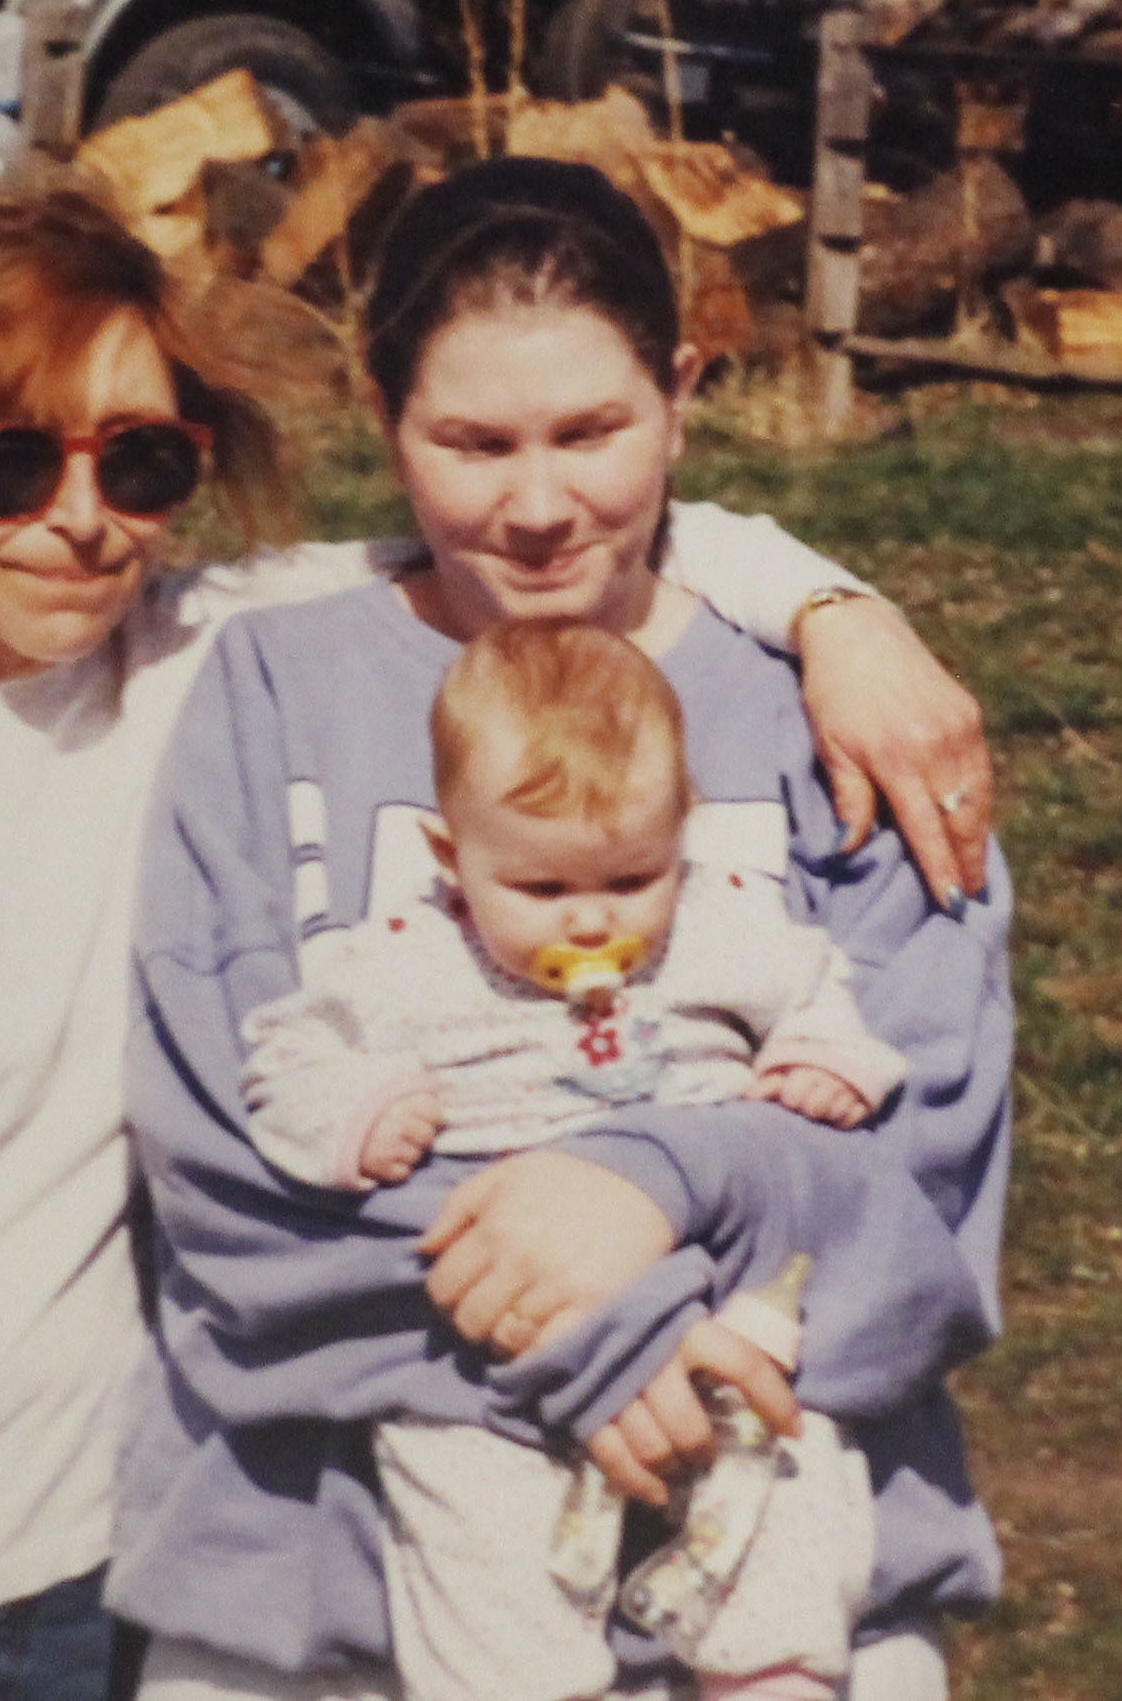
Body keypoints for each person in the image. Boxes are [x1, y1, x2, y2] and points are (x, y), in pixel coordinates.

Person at [0, 184, 995, 1701]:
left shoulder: (211, 654)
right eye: (3, 461)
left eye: (139, 461)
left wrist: (832, 609)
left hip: (96, 1587)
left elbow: (573, 519)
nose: (78, 517)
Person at [114, 156, 1014, 1701]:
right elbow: (226, 1155)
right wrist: (609, 1336)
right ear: (381, 414)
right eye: (471, 443)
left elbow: (915, 1182)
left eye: (591, 432)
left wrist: (659, 1177)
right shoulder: (274, 692)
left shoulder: (841, 721)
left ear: (680, 394)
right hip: (323, 1618)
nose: (535, 509)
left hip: (779, 1625)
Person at [236, 617, 904, 1701]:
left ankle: (774, 1668)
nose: (592, 920)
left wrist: (822, 1059)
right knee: (466, 1489)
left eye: (633, 877)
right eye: (541, 891)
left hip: (713, 1301)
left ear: (682, 834)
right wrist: (358, 1112)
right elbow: (283, 1055)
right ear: (451, 858)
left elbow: (817, 988)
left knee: (792, 1452)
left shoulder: (724, 930)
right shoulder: (399, 963)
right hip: (496, 1340)